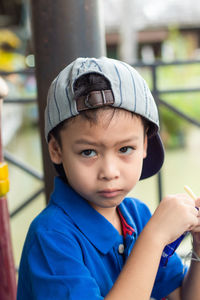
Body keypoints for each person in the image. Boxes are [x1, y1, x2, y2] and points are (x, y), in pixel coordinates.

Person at [17, 57, 200, 300]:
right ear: (56, 150)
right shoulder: (51, 237)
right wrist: (154, 238)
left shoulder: (138, 216)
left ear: (144, 145)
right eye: (88, 152)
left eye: (125, 149)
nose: (109, 172)